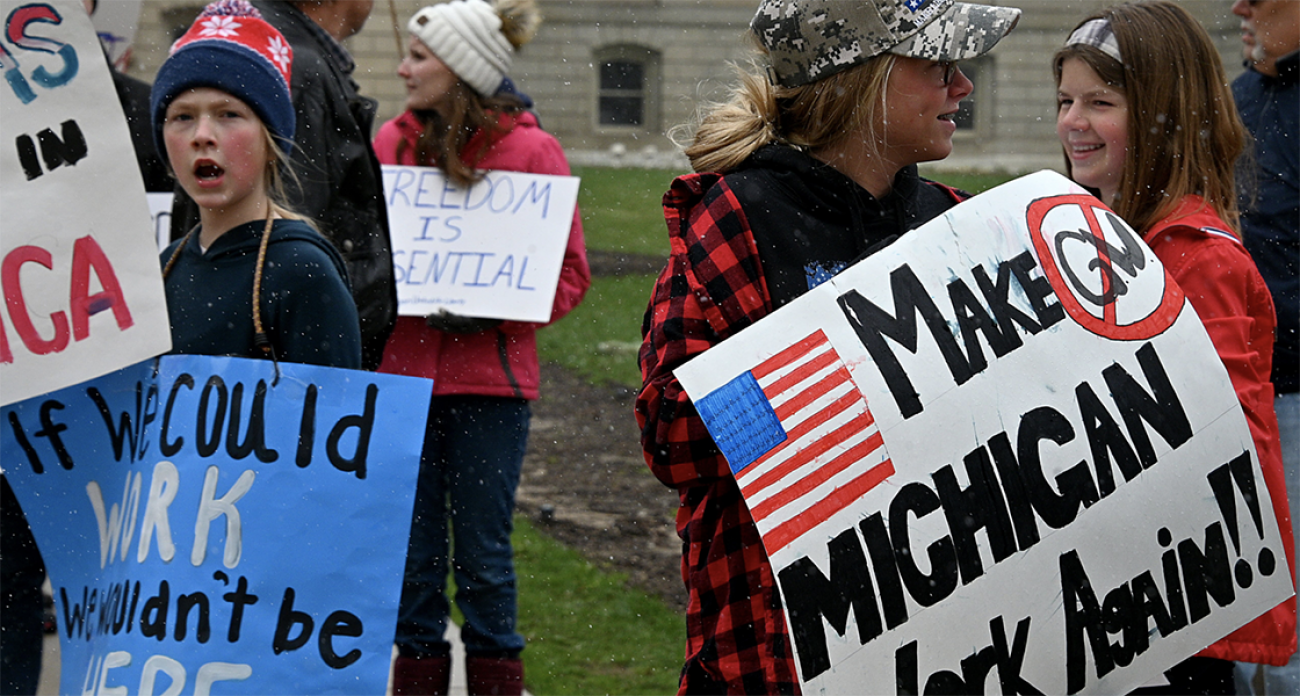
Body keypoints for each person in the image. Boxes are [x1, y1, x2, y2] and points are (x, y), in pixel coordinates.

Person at [635, 0, 1021, 692]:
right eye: (937, 65)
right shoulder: (743, 216)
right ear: (862, 79)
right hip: (775, 647)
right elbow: (672, 435)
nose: (962, 85)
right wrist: (845, 380)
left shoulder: (957, 220)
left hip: (941, 642)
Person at [1053, 2, 1296, 692]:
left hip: (1181, 622)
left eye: (1100, 102)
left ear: (1163, 113)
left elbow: (1223, 453)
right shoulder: (1105, 240)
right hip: (1121, 607)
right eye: (1065, 99)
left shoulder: (1198, 260)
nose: (1073, 122)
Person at [372, 1, 589, 694]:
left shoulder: (534, 152)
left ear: (461, 69)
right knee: (412, 561)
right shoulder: (389, 145)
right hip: (401, 385)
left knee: (485, 559)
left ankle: (498, 677)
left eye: (419, 57)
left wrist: (497, 311)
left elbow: (569, 274)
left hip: (491, 392)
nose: (404, 69)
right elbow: (365, 259)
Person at [168, 0, 397, 371]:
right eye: (181, 117)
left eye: (228, 114)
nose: (202, 135)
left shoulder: (302, 269)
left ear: (273, 140)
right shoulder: (169, 266)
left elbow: (326, 408)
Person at [1231, 0, 1300, 690]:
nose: (1239, 7)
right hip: (1234, 394)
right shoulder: (1239, 100)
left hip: (1295, 400)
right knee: (1243, 607)